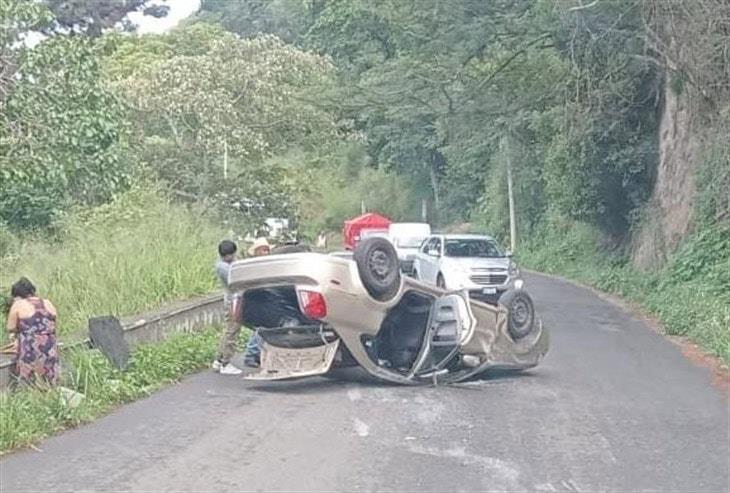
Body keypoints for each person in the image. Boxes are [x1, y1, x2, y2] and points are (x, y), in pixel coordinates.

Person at [5, 277, 59, 386]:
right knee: (49, 383)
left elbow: (10, 327)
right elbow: (53, 323)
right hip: (50, 347)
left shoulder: (18, 304)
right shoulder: (47, 303)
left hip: (30, 349)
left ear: (17, 295)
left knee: (28, 383)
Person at [212, 240, 245, 375]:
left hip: (232, 301)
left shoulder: (224, 265)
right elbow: (236, 282)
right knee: (232, 331)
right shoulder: (224, 268)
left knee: (229, 331)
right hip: (233, 302)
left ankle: (219, 360)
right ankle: (225, 362)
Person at [241, 237, 271, 367]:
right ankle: (251, 354)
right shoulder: (254, 266)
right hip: (255, 299)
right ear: (257, 251)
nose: (266, 253)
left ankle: (257, 353)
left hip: (263, 298)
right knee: (261, 327)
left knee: (264, 327)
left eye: (267, 250)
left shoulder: (264, 265)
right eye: (264, 250)